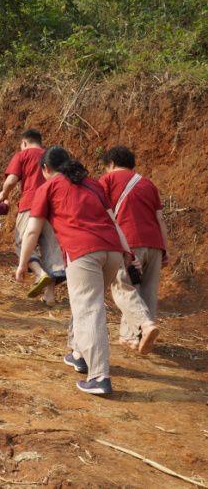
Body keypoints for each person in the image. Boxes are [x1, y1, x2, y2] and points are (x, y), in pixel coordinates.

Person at [16, 146, 153, 396]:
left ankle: (99, 376)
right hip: (111, 250)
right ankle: (80, 355)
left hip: (83, 252)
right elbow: (114, 222)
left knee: (89, 310)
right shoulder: (92, 184)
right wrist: (127, 254)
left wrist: (23, 263)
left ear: (45, 169)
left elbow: (32, 231)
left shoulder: (47, 187)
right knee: (90, 305)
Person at [99, 146, 165, 354]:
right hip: (154, 243)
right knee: (146, 290)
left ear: (110, 164)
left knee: (123, 287)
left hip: (128, 242)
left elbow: (101, 213)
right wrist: (165, 248)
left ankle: (145, 325)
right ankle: (133, 338)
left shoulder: (107, 181)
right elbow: (160, 219)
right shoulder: (148, 184)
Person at [0, 129, 65, 305]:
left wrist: (3, 193)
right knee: (51, 249)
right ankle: (50, 296)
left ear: (24, 143)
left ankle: (39, 272)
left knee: (23, 242)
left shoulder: (23, 155)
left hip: (31, 204)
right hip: (54, 207)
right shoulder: (51, 155)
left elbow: (12, 180)